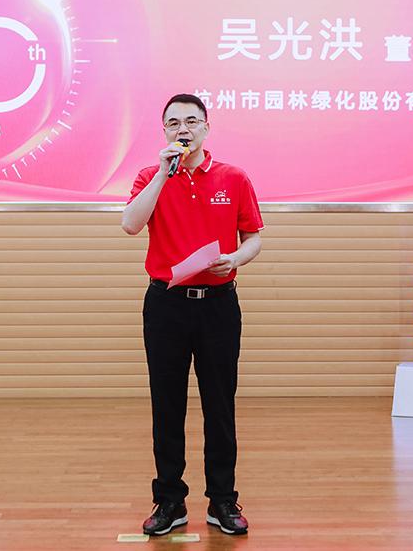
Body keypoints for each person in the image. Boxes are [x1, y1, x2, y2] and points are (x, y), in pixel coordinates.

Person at [121, 93, 264, 536]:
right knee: (167, 405)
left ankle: (222, 500)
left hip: (219, 305)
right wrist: (163, 175)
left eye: (191, 121)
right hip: (166, 305)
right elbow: (130, 224)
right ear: (164, 130)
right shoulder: (150, 175)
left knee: (220, 405)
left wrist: (235, 258)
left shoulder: (233, 177)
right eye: (173, 123)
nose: (182, 129)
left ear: (206, 127)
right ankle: (169, 500)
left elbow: (254, 237)